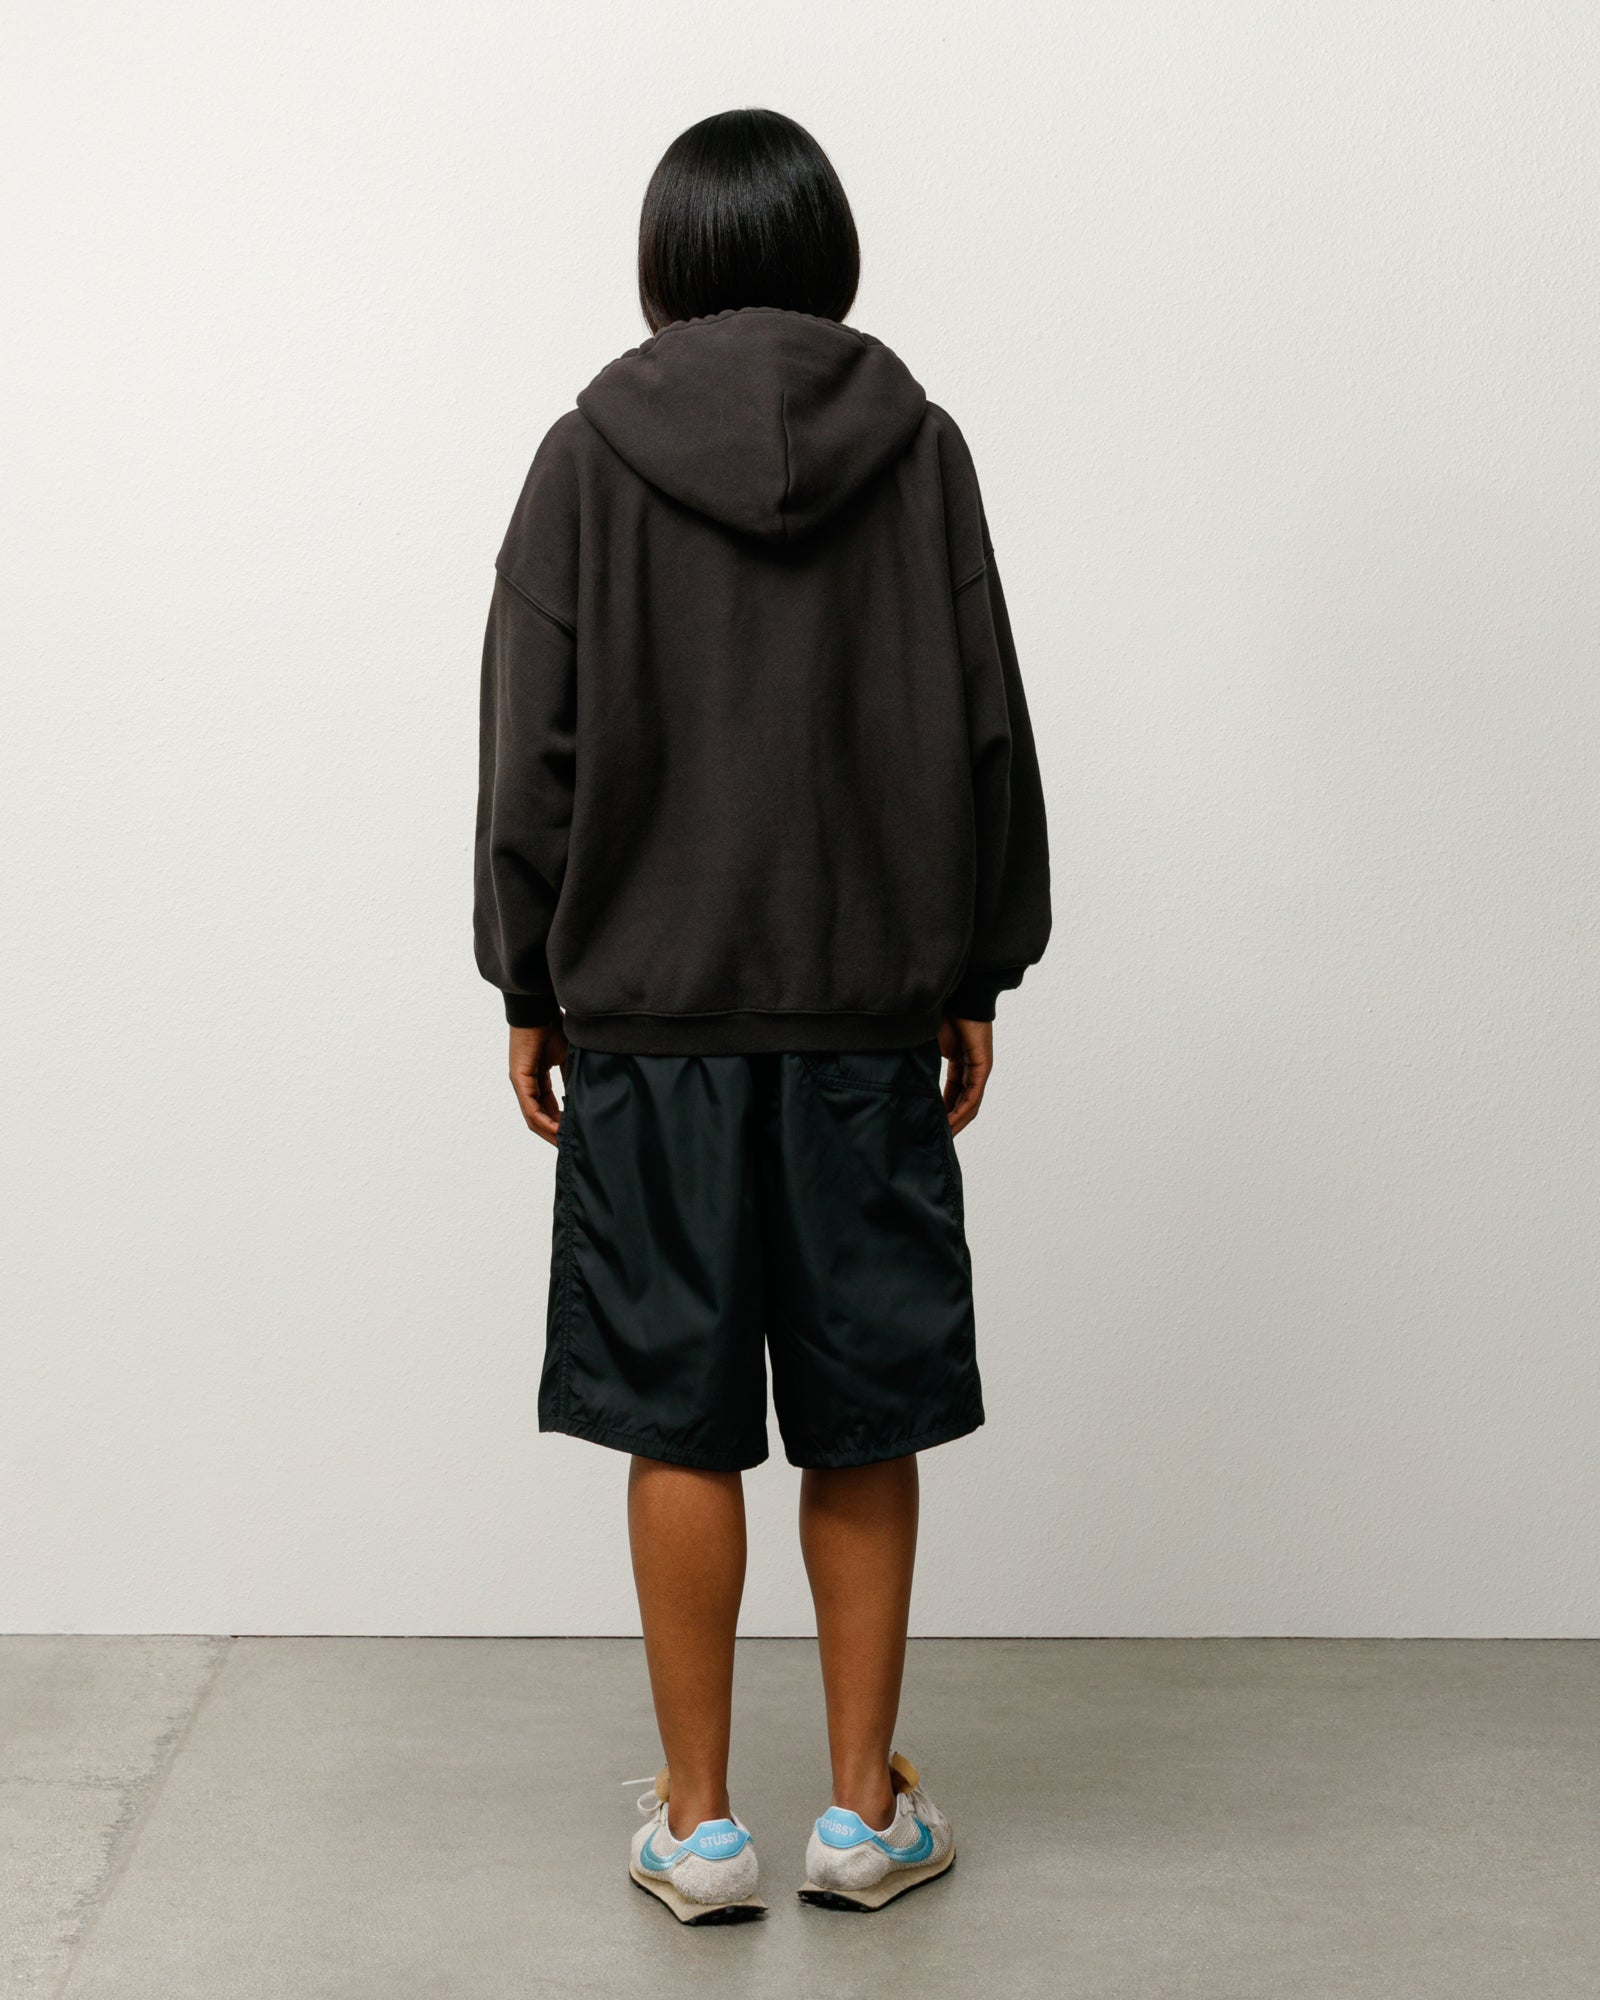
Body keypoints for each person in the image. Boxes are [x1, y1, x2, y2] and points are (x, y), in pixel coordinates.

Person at [474, 107, 1050, 1922]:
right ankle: (865, 1817)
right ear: (828, 253)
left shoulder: (588, 457)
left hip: (651, 1023)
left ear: (666, 263)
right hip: (866, 1014)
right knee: (862, 1416)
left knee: (681, 1417)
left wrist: (529, 975)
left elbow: (532, 739)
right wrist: (974, 968)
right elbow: (985, 718)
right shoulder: (922, 451)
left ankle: (704, 1825)